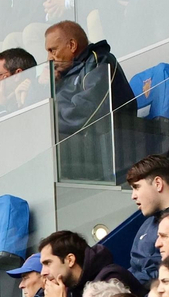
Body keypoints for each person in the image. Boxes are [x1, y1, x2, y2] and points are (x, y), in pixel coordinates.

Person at [47, 20, 139, 180]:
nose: (49, 58)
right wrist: (50, 88)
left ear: (72, 45)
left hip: (113, 152)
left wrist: (47, 125)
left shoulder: (99, 61)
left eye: (52, 50)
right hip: (84, 149)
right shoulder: (63, 74)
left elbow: (83, 114)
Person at [125, 154, 169, 283]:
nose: (133, 196)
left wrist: (127, 283)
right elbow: (134, 268)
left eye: (136, 187)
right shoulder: (146, 225)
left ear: (158, 183)